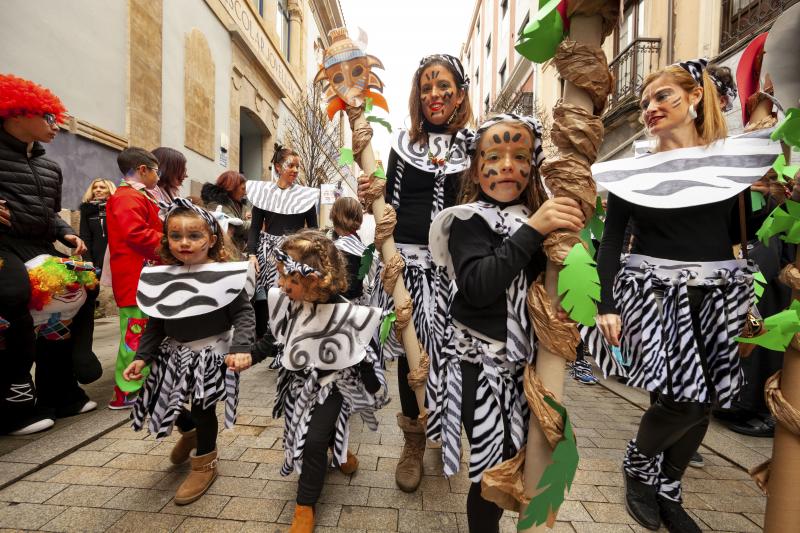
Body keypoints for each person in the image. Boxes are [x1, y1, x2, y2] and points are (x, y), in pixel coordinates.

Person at [587, 60, 777, 532]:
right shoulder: (634, 170)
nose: (650, 108)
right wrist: (607, 304)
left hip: (719, 295)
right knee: (680, 400)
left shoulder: (731, 159)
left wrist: (776, 195)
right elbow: (612, 241)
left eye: (663, 96)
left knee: (708, 398)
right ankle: (638, 464)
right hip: (655, 295)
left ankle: (668, 487)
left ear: (694, 99)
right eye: (647, 100)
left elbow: (739, 231)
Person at [427, 114, 583, 533]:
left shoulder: (539, 218)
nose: (507, 166)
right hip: (477, 368)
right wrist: (532, 230)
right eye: (493, 156)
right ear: (477, 168)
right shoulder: (466, 220)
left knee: (521, 458)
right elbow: (478, 286)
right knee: (489, 469)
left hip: (526, 370)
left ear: (532, 164)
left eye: (519, 155)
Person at [357, 53, 473, 492]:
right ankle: (413, 440)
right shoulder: (403, 145)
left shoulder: (475, 145)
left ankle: (447, 430)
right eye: (426, 87)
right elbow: (387, 201)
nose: (434, 95)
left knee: (454, 352)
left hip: (455, 268)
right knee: (411, 350)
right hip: (405, 263)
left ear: (460, 93)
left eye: (443, 86)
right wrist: (370, 194)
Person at [246, 229, 386, 533]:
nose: (282, 285)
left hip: (333, 385)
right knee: (307, 432)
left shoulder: (345, 313)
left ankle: (304, 504)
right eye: (281, 277)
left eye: (291, 280)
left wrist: (374, 387)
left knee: (311, 442)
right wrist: (249, 357)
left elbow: (357, 352)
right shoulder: (287, 303)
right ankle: (340, 449)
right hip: (297, 383)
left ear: (317, 279)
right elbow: (274, 338)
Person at [124, 198, 254, 505]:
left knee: (202, 407)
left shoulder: (225, 274)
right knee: (159, 399)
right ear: (166, 239)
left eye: (194, 236)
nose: (184, 242)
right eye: (176, 236)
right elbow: (155, 322)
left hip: (210, 353)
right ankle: (190, 432)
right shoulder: (163, 276)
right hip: (172, 354)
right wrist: (142, 357)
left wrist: (240, 348)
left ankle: (204, 462)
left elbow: (244, 314)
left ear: (211, 239)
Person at [0, 74, 97, 435]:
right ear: (16, 113)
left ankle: (59, 391)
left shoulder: (49, 167)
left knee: (76, 294)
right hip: (3, 247)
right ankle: (12, 400)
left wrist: (68, 234)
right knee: (13, 295)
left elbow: (50, 215)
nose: (56, 125)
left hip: (39, 246)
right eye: (48, 117)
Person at [106, 147, 163, 409]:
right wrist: (171, 243)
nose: (158, 177)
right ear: (142, 170)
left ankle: (140, 385)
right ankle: (127, 390)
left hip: (143, 278)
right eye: (155, 171)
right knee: (134, 335)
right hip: (135, 279)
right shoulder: (128, 197)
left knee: (142, 333)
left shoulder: (137, 196)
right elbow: (136, 234)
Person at [246, 144, 318, 336]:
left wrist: (312, 255)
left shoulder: (305, 196)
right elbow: (254, 227)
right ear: (278, 167)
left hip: (295, 253)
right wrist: (252, 254)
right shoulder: (262, 194)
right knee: (273, 297)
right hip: (269, 255)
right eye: (290, 165)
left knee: (293, 297)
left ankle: (290, 341)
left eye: (297, 166)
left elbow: (313, 230)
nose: (295, 170)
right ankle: (275, 342)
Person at [201, 170, 251, 256]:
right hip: (223, 254)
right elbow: (237, 226)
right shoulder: (216, 204)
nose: (245, 193)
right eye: (243, 189)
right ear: (231, 187)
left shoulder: (239, 204)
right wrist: (257, 223)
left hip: (236, 252)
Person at [331, 196, 369, 302]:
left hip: (343, 306)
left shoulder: (340, 248)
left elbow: (348, 287)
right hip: (360, 303)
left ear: (335, 218)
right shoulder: (358, 242)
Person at [78, 178, 116, 275]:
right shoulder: (87, 211)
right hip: (95, 261)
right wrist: (87, 260)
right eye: (95, 187)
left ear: (110, 190)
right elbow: (85, 237)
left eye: (102, 187)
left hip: (115, 258)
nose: (98, 189)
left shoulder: (117, 209)